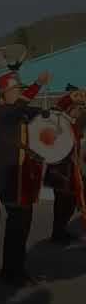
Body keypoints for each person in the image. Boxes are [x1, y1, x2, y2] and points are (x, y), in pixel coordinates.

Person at [0, 70, 51, 287]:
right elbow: (21, 108)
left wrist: (46, 112)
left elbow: (29, 110)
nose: (18, 93)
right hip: (11, 182)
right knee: (16, 229)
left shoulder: (17, 111)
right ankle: (10, 272)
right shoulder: (5, 112)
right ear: (3, 95)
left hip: (22, 181)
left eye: (19, 89)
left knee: (23, 227)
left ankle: (17, 268)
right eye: (15, 90)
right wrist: (37, 83)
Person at [44, 88, 86, 244]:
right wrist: (69, 98)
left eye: (82, 108)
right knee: (62, 203)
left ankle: (59, 231)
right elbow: (55, 109)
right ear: (70, 109)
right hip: (60, 171)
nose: (80, 111)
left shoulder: (75, 125)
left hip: (71, 170)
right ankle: (57, 233)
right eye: (78, 108)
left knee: (69, 203)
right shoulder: (59, 121)